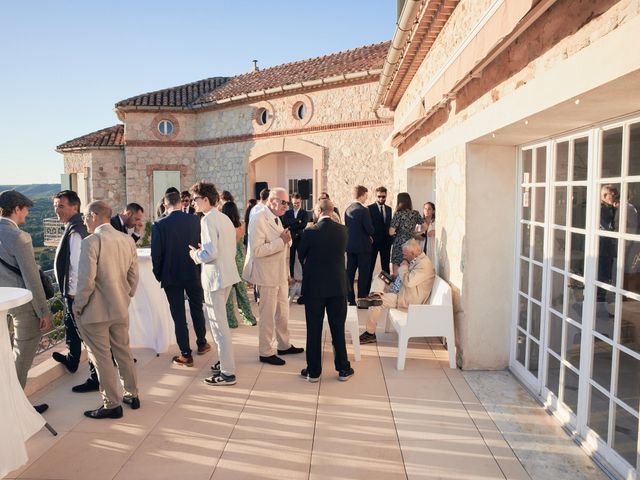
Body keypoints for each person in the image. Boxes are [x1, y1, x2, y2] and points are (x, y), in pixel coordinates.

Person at [73, 200, 140, 419]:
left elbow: (86, 281)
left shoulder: (91, 241)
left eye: (85, 216)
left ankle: (111, 404)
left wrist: (78, 306)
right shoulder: (126, 240)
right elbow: (134, 277)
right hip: (120, 308)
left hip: (95, 312)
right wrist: (125, 295)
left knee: (101, 357)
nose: (84, 220)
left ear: (94, 215)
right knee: (123, 352)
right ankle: (132, 394)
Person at [0, 190, 52, 414]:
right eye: (26, 209)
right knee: (22, 354)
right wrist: (44, 311)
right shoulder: (19, 237)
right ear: (17, 209)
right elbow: (31, 278)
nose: (27, 214)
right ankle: (16, 409)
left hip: (2, 301)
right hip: (20, 301)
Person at [243, 187, 304, 366]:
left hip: (279, 273)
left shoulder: (276, 216)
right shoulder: (258, 218)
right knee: (268, 314)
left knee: (283, 312)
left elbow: (284, 240)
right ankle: (265, 351)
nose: (287, 206)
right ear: (272, 200)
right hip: (266, 274)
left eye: (287, 202)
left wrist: (286, 240)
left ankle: (284, 345)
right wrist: (281, 241)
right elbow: (257, 250)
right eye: (284, 202)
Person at [151, 191, 210, 367]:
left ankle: (185, 353)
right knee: (197, 307)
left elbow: (156, 255)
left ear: (165, 204)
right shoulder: (194, 220)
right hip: (193, 271)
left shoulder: (159, 224)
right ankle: (202, 343)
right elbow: (202, 245)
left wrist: (159, 274)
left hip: (171, 274)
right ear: (179, 203)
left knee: (178, 315)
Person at [51, 190, 101, 394]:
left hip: (76, 295)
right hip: (71, 294)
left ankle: (95, 378)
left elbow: (80, 269)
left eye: (61, 206)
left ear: (75, 207)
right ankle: (72, 360)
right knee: (71, 327)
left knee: (88, 338)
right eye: (55, 205)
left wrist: (74, 296)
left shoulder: (76, 233)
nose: (56, 210)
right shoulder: (75, 228)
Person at [189, 181, 239, 386]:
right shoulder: (224, 218)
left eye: (195, 199)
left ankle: (227, 372)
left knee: (219, 326)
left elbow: (211, 253)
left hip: (215, 278)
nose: (193, 203)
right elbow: (227, 248)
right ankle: (224, 363)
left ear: (206, 200)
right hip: (226, 275)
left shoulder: (207, 220)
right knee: (220, 324)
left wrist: (195, 254)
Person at [298, 199, 354, 382]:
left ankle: (313, 371)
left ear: (317, 211)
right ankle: (343, 369)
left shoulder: (309, 232)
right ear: (331, 211)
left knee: (314, 328)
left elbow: (301, 254)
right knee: (338, 327)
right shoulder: (343, 231)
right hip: (338, 285)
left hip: (315, 287)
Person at [358, 239, 435, 344]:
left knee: (378, 302)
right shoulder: (416, 259)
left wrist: (403, 267)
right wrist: (396, 277)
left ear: (413, 253)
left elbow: (408, 281)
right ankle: (375, 294)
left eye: (405, 254)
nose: (404, 256)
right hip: (402, 290)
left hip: (407, 297)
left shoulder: (424, 264)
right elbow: (407, 277)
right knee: (380, 276)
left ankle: (370, 333)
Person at [221, 200, 257, 328]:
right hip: (240, 259)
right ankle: (249, 318)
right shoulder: (242, 224)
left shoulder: (224, 227)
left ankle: (231, 321)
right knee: (242, 291)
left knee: (229, 292)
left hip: (229, 259)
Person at [345, 185, 375, 305]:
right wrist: (371, 233)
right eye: (366, 196)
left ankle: (350, 299)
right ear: (362, 195)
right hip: (363, 247)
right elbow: (369, 229)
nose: (366, 198)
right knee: (363, 275)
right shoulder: (364, 210)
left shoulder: (347, 209)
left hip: (350, 247)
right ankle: (362, 299)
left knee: (350, 274)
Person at [282, 193, 310, 303]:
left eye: (298, 203)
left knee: (302, 258)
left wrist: (293, 224)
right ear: (291, 202)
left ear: (301, 202)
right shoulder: (288, 212)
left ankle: (304, 276)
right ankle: (292, 277)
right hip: (291, 238)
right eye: (294, 203)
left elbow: (303, 224)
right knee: (291, 259)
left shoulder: (304, 213)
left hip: (301, 239)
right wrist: (296, 221)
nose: (296, 205)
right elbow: (285, 222)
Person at [389, 192, 423, 276]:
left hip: (399, 244)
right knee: (409, 268)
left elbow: (391, 232)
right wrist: (414, 232)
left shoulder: (398, 214)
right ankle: (406, 288)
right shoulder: (415, 213)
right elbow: (425, 226)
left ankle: (397, 288)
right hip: (411, 243)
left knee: (396, 270)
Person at [368, 186, 392, 283]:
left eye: (383, 196)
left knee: (386, 268)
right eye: (379, 196)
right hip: (373, 242)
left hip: (386, 242)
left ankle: (385, 289)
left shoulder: (389, 209)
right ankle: (367, 291)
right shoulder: (369, 208)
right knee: (370, 267)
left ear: (386, 196)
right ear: (376, 196)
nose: (381, 198)